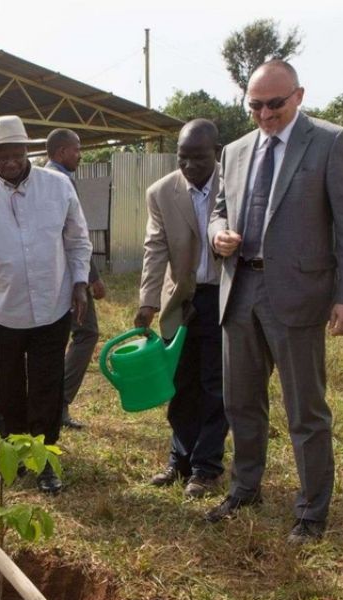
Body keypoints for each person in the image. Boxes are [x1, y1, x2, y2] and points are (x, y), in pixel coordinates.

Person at [206, 60, 343, 544]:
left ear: (298, 96)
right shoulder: (235, 151)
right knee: (240, 401)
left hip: (298, 295)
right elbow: (218, 208)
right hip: (240, 292)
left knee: (305, 411)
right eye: (254, 105)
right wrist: (218, 235)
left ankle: (312, 510)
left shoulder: (329, 141)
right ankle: (244, 487)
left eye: (274, 104)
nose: (264, 114)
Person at [0, 116, 92, 496]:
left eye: (15, 153)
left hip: (52, 306)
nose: (9, 161)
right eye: (2, 155)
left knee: (47, 386)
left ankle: (45, 461)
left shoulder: (58, 186)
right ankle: (12, 461)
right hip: (3, 310)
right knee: (6, 390)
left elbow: (78, 240)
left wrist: (80, 282)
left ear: (27, 152)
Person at [135, 119, 227, 499]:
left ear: (216, 154)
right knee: (180, 383)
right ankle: (180, 458)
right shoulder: (161, 192)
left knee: (214, 386)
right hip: (183, 300)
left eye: (199, 159)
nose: (189, 167)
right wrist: (147, 302)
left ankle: (206, 467)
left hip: (224, 297)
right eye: (182, 158)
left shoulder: (236, 183)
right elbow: (155, 247)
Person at [45, 129, 106, 430]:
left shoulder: (43, 179)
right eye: (76, 149)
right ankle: (59, 403)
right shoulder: (60, 181)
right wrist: (91, 278)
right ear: (60, 153)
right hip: (69, 277)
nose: (80, 155)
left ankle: (52, 403)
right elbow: (75, 237)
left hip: (52, 276)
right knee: (86, 333)